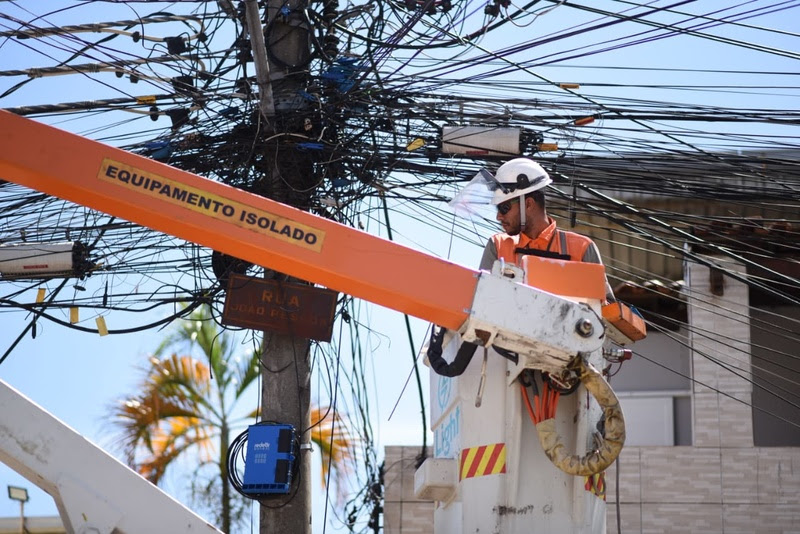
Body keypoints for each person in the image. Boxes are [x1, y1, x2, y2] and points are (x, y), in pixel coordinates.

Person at [478, 157, 615, 302]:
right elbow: (481, 299)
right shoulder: (498, 245)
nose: (498, 216)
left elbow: (606, 309)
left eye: (504, 208)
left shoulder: (582, 248)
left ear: (528, 204)